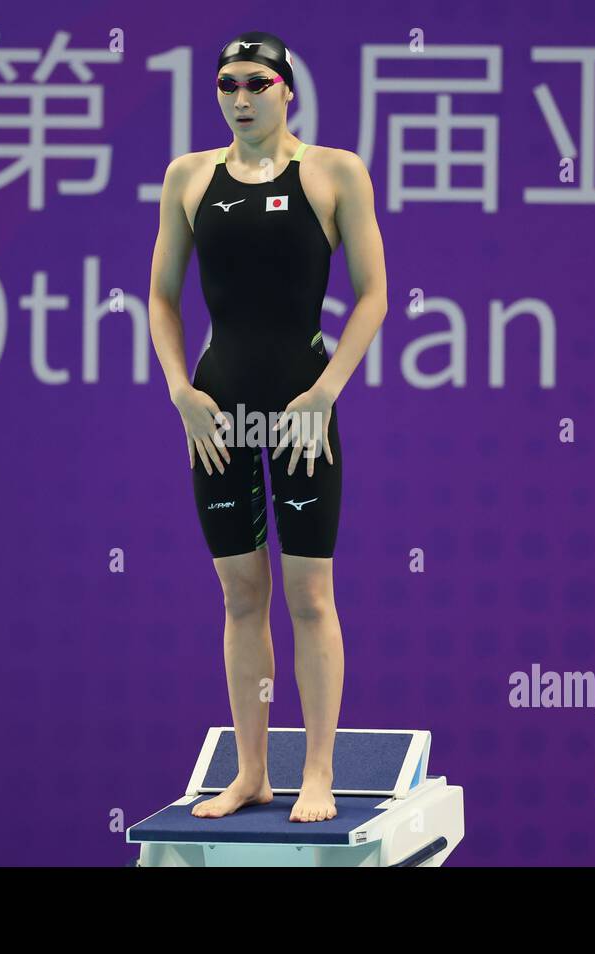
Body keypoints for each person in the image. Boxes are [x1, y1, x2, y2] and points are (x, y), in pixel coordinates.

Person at [147, 31, 387, 822]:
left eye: (256, 82)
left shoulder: (334, 171)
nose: (239, 97)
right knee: (240, 595)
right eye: (226, 84)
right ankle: (252, 770)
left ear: (288, 90)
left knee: (310, 595)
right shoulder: (188, 177)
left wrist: (326, 392)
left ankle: (315, 770)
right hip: (220, 410)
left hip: (301, 411)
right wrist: (180, 389)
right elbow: (161, 296)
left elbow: (374, 294)